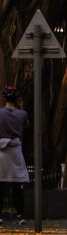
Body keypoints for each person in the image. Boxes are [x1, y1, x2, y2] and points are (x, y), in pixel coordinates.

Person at [0, 86, 29, 225]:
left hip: (2, 151)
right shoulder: (22, 114)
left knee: (1, 183)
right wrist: (22, 109)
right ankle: (19, 215)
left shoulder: (0, 113)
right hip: (15, 151)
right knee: (17, 185)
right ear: (17, 99)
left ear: (4, 98)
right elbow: (26, 125)